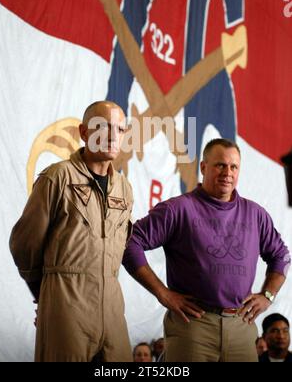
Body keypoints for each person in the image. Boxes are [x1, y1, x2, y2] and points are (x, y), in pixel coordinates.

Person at [123, 138, 291, 362]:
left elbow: (281, 255)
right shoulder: (178, 209)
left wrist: (267, 295)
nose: (227, 172)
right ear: (203, 167)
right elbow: (130, 242)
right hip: (193, 326)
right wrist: (162, 293)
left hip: (241, 326)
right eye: (220, 165)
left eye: (233, 167)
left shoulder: (255, 214)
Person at [10, 101, 134, 362]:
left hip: (112, 308)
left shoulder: (124, 188)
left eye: (120, 129)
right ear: (85, 132)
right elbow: (24, 245)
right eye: (103, 127)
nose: (113, 136)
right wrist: (45, 295)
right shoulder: (57, 178)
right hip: (66, 307)